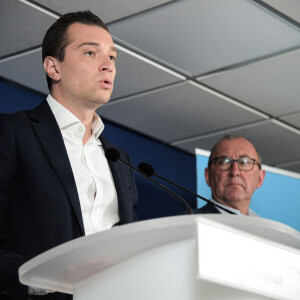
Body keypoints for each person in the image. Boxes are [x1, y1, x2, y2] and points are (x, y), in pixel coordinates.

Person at [0, 11, 138, 299]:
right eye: (90, 52)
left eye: (112, 57)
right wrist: (46, 279)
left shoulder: (119, 160)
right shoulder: (12, 133)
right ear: (53, 67)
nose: (107, 66)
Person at [196, 135, 265, 215]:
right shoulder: (187, 223)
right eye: (224, 162)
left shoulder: (269, 227)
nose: (235, 172)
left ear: (260, 178)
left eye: (244, 162)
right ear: (208, 176)